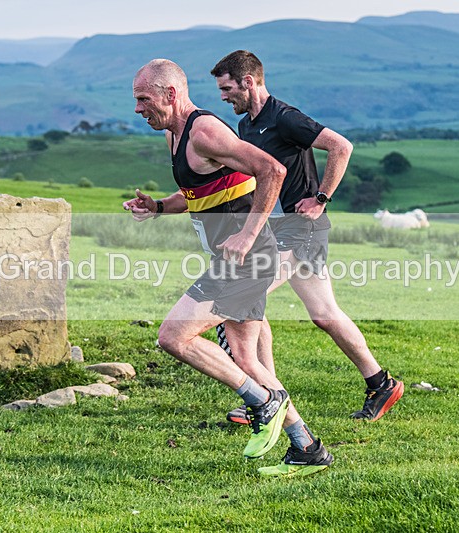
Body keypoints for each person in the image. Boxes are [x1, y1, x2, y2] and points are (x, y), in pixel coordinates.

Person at [124, 59, 333, 477]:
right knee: (246, 359)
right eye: (135, 100)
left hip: (248, 259)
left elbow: (272, 169)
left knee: (174, 336)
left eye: (143, 99)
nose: (137, 109)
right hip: (236, 260)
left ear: (170, 94)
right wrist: (160, 207)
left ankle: (264, 402)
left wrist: (248, 232)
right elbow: (199, 192)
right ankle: (307, 448)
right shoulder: (176, 135)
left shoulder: (204, 130)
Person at [210, 50, 404, 424]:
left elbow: (341, 146)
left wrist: (320, 199)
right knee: (325, 314)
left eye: (227, 88)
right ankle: (381, 383)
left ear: (248, 82)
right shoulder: (249, 125)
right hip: (279, 230)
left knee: (245, 296)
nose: (223, 96)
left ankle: (267, 398)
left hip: (301, 229)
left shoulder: (284, 117)